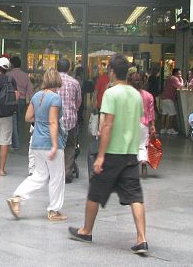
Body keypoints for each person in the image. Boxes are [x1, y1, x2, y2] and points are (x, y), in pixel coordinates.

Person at [68, 54, 149, 255]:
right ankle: (141, 239)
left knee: (95, 192)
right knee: (135, 196)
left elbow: (108, 125)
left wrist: (101, 156)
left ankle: (86, 231)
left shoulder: (111, 94)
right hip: (130, 153)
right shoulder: (136, 95)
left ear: (112, 71)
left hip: (112, 152)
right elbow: (137, 122)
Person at [6, 68, 67, 222]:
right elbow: (53, 122)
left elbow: (28, 117)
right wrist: (54, 145)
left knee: (40, 175)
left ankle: (17, 197)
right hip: (50, 143)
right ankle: (54, 210)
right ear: (57, 81)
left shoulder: (36, 96)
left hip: (36, 142)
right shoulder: (55, 98)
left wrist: (40, 120)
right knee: (57, 177)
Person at [56, 58, 82, 183]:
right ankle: (67, 172)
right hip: (70, 119)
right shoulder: (75, 82)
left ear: (57, 68)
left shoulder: (53, 82)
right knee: (70, 146)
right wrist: (73, 110)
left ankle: (55, 172)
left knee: (55, 145)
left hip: (54, 120)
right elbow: (78, 101)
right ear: (69, 69)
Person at [130, 72, 156, 178]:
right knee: (142, 146)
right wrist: (152, 126)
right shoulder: (148, 96)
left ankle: (131, 167)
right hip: (144, 125)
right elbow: (151, 113)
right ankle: (144, 162)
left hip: (131, 124)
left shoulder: (128, 95)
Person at [6, 56, 34, 152]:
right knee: (19, 122)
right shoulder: (25, 75)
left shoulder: (8, 74)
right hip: (22, 101)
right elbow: (30, 90)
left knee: (12, 122)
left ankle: (15, 143)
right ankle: (16, 140)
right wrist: (32, 102)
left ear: (12, 64)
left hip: (11, 101)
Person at [159, 68, 184, 135]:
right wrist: (181, 80)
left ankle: (162, 129)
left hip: (164, 98)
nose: (180, 75)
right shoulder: (174, 78)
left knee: (164, 113)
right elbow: (180, 86)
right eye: (179, 73)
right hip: (169, 99)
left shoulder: (169, 78)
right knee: (172, 114)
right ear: (175, 73)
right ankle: (170, 129)